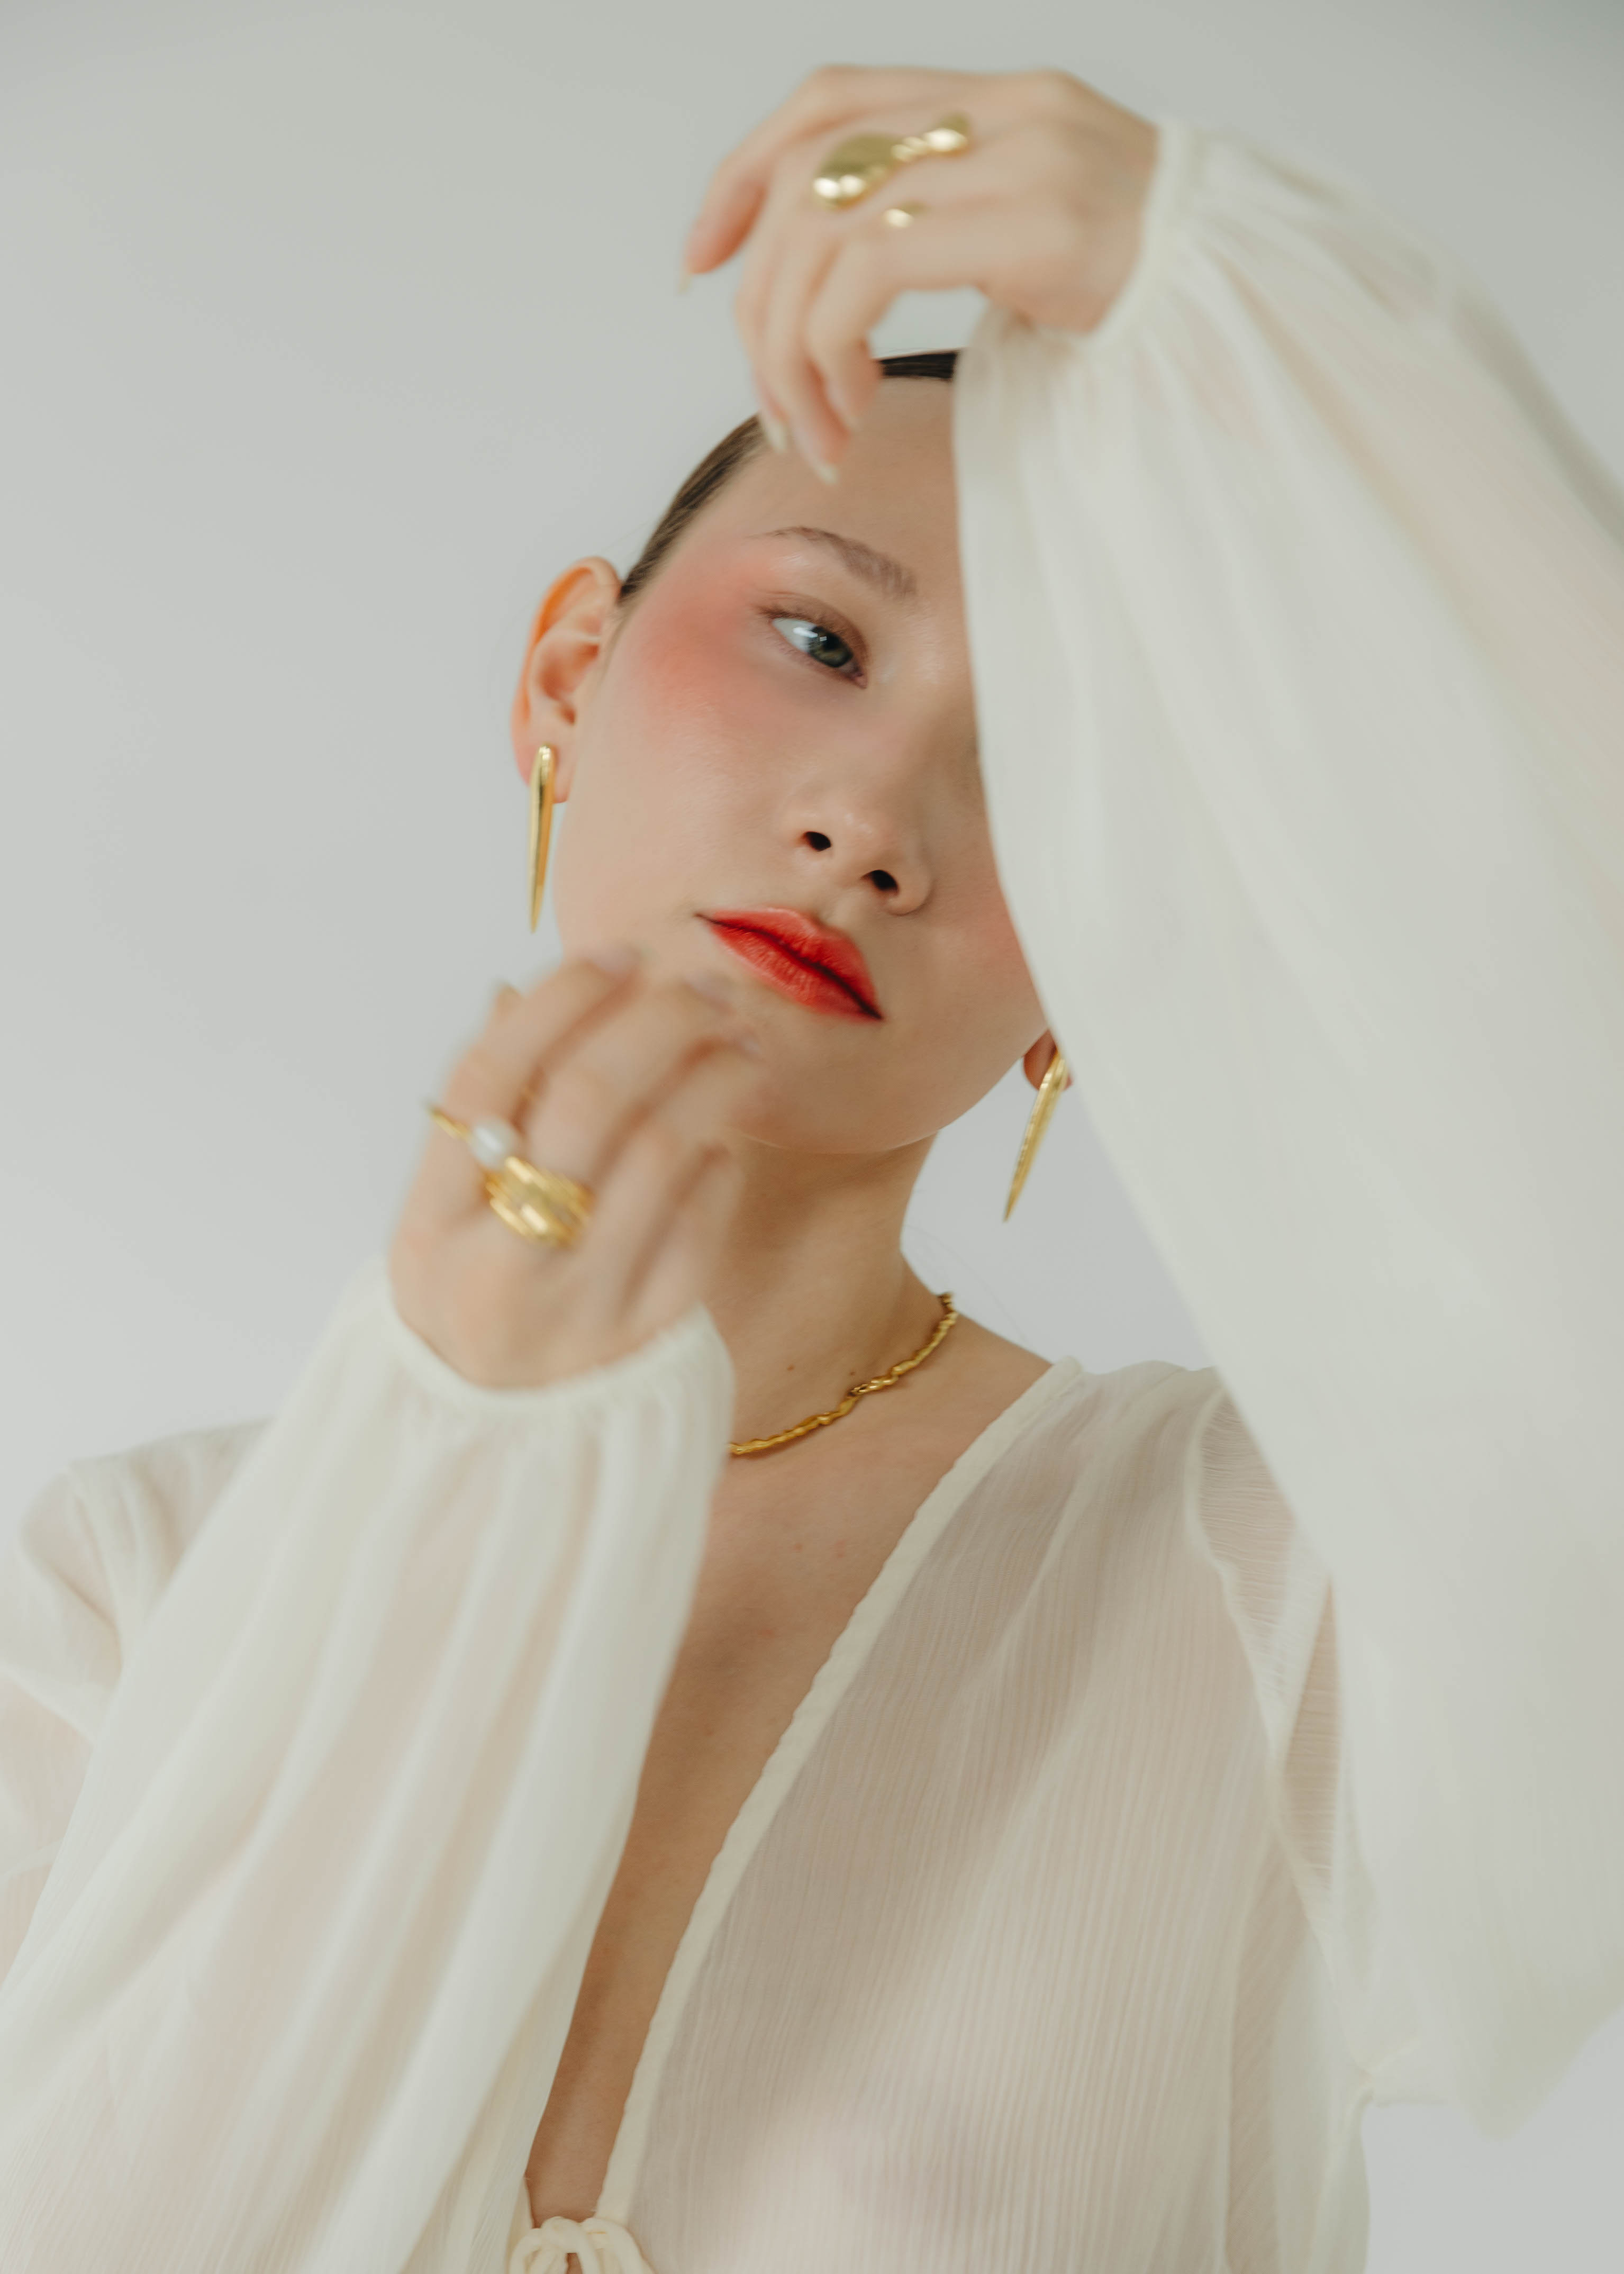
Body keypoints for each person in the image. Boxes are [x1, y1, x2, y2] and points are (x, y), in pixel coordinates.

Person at [2, 61, 1621, 2274]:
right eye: (820, 639)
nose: (875, 821)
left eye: (1043, 769)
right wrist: (453, 1452)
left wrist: (1270, 305)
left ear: (1108, 962)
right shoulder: (118, 1595)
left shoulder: (1293, 1584)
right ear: (567, 676)